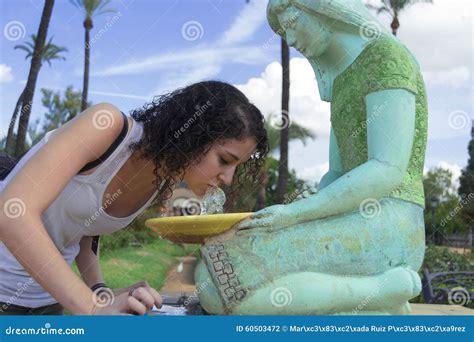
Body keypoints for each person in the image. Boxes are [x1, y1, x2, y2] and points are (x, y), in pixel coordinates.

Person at [195, 0, 428, 315]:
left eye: (291, 23)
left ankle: (378, 292)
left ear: (324, 8)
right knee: (213, 267)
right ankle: (375, 297)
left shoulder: (388, 58)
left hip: (391, 223)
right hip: (349, 218)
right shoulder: (344, 79)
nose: (290, 41)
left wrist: (295, 215)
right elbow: (336, 175)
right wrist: (291, 216)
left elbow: (387, 169)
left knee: (217, 290)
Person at [0, 80, 268, 315]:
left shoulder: (161, 179)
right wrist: (90, 307)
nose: (228, 178)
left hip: (45, 301)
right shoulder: (106, 128)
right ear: (192, 135)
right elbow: (12, 212)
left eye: (237, 167)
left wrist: (100, 292)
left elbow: (84, 225)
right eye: (224, 160)